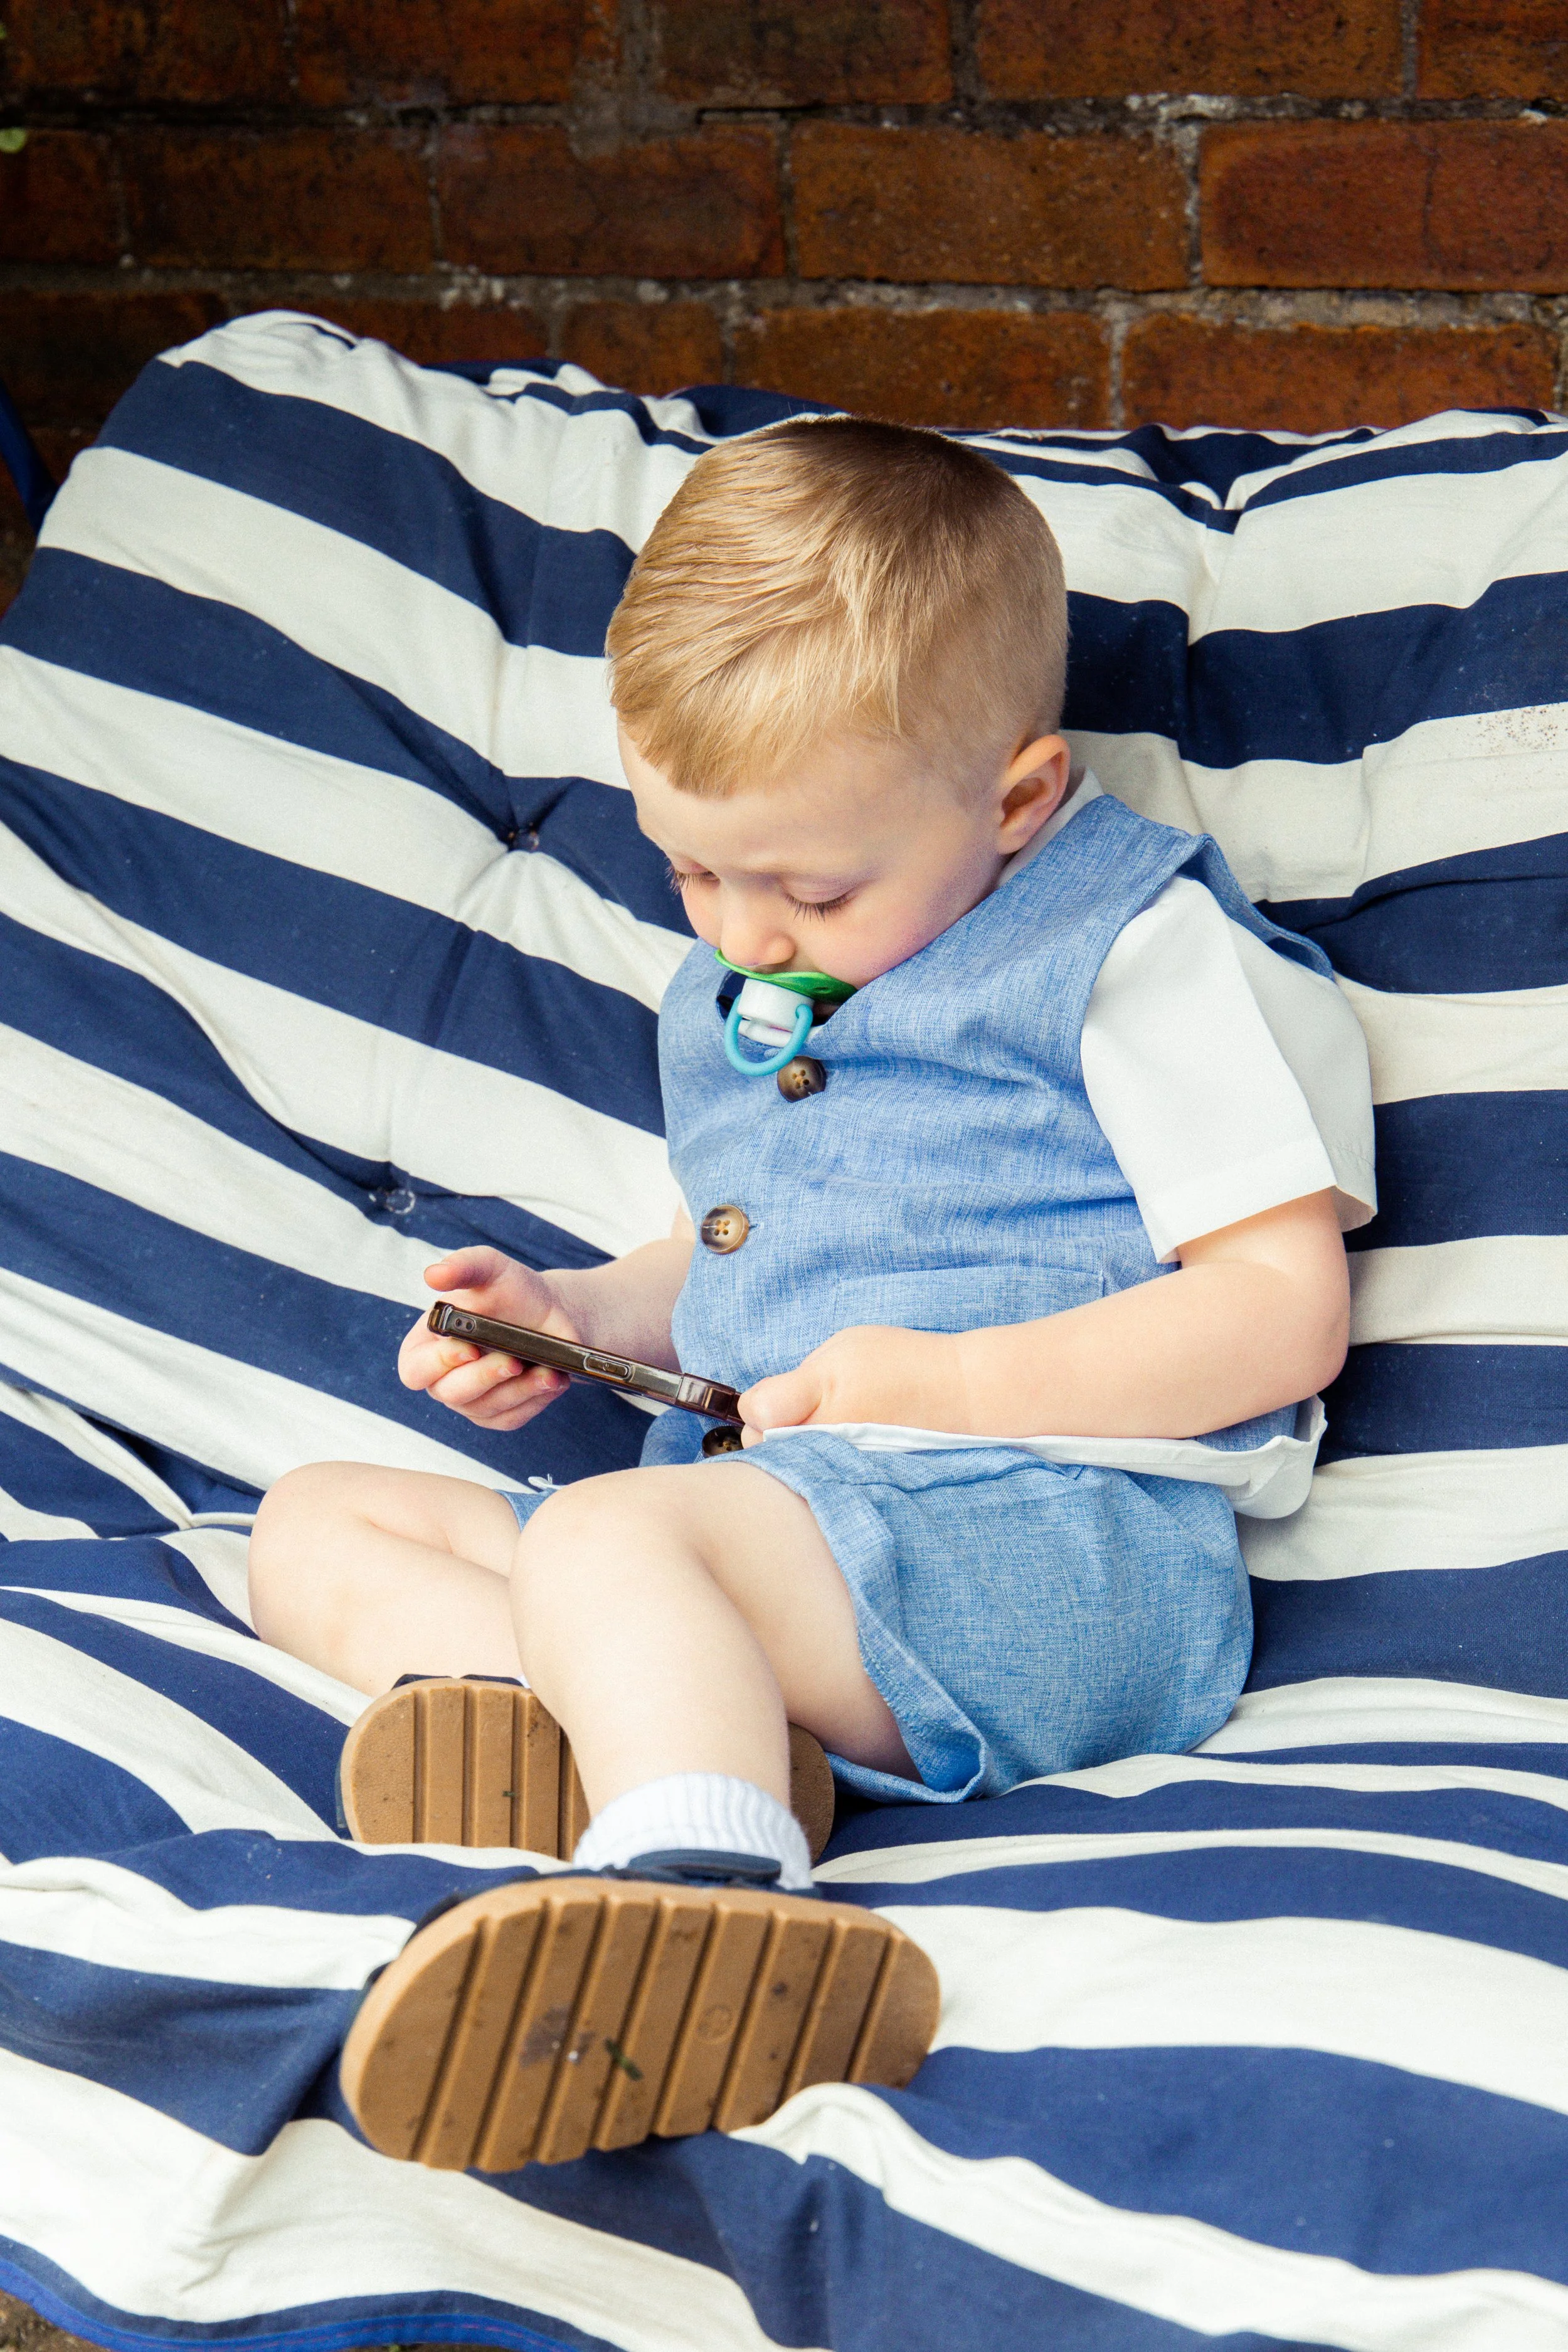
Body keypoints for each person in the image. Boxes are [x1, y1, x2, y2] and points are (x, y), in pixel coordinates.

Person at [249, 416, 1374, 2171]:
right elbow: (741, 1258)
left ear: (1016, 794)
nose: (740, 931)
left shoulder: (1132, 944)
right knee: (314, 1520)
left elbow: (1277, 1307)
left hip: (1051, 1549)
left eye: (807, 884)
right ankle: (690, 1750)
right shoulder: (750, 977)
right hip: (793, 1540)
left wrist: (930, 1384)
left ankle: (705, 1903)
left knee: (605, 1550)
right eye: (689, 868)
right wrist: (576, 1311)